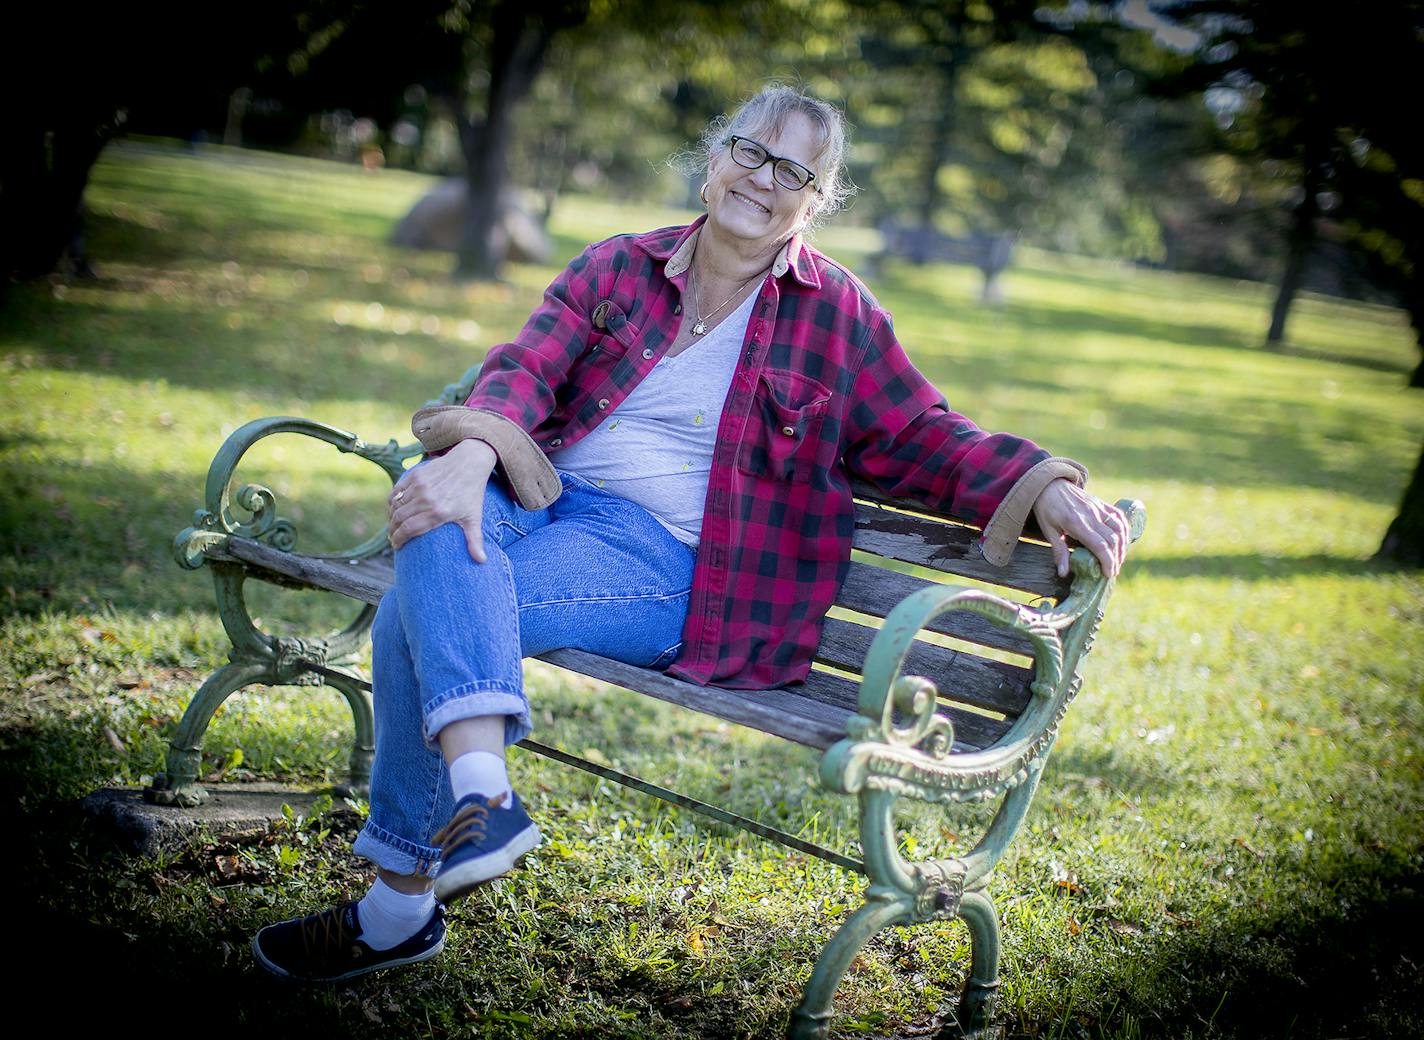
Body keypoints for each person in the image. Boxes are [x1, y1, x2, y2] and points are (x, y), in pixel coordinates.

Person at [251, 86, 1130, 981]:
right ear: (715, 158)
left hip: (667, 561)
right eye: (751, 151)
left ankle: (402, 902)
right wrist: (474, 454)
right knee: (435, 505)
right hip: (541, 494)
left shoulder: (839, 316)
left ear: (815, 202)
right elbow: (526, 366)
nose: (763, 179)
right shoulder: (620, 265)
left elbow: (921, 434)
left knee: (420, 605)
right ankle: (482, 805)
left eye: (795, 171)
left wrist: (1039, 480)